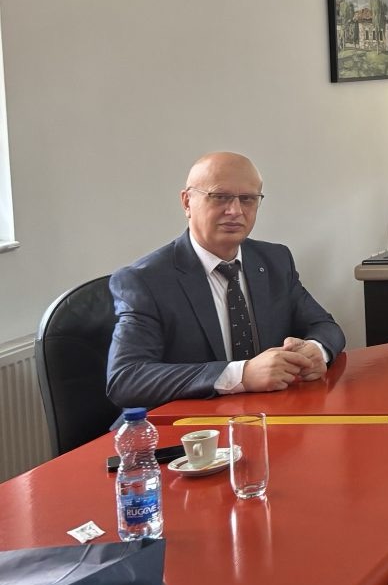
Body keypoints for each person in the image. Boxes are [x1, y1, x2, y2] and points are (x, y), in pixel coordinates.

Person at [106, 152, 345, 409]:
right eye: (220, 197)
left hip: (270, 417)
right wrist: (241, 374)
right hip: (190, 425)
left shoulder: (275, 261)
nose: (235, 211)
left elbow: (325, 326)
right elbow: (126, 378)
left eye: (247, 199)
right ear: (187, 202)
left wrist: (315, 349)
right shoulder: (145, 280)